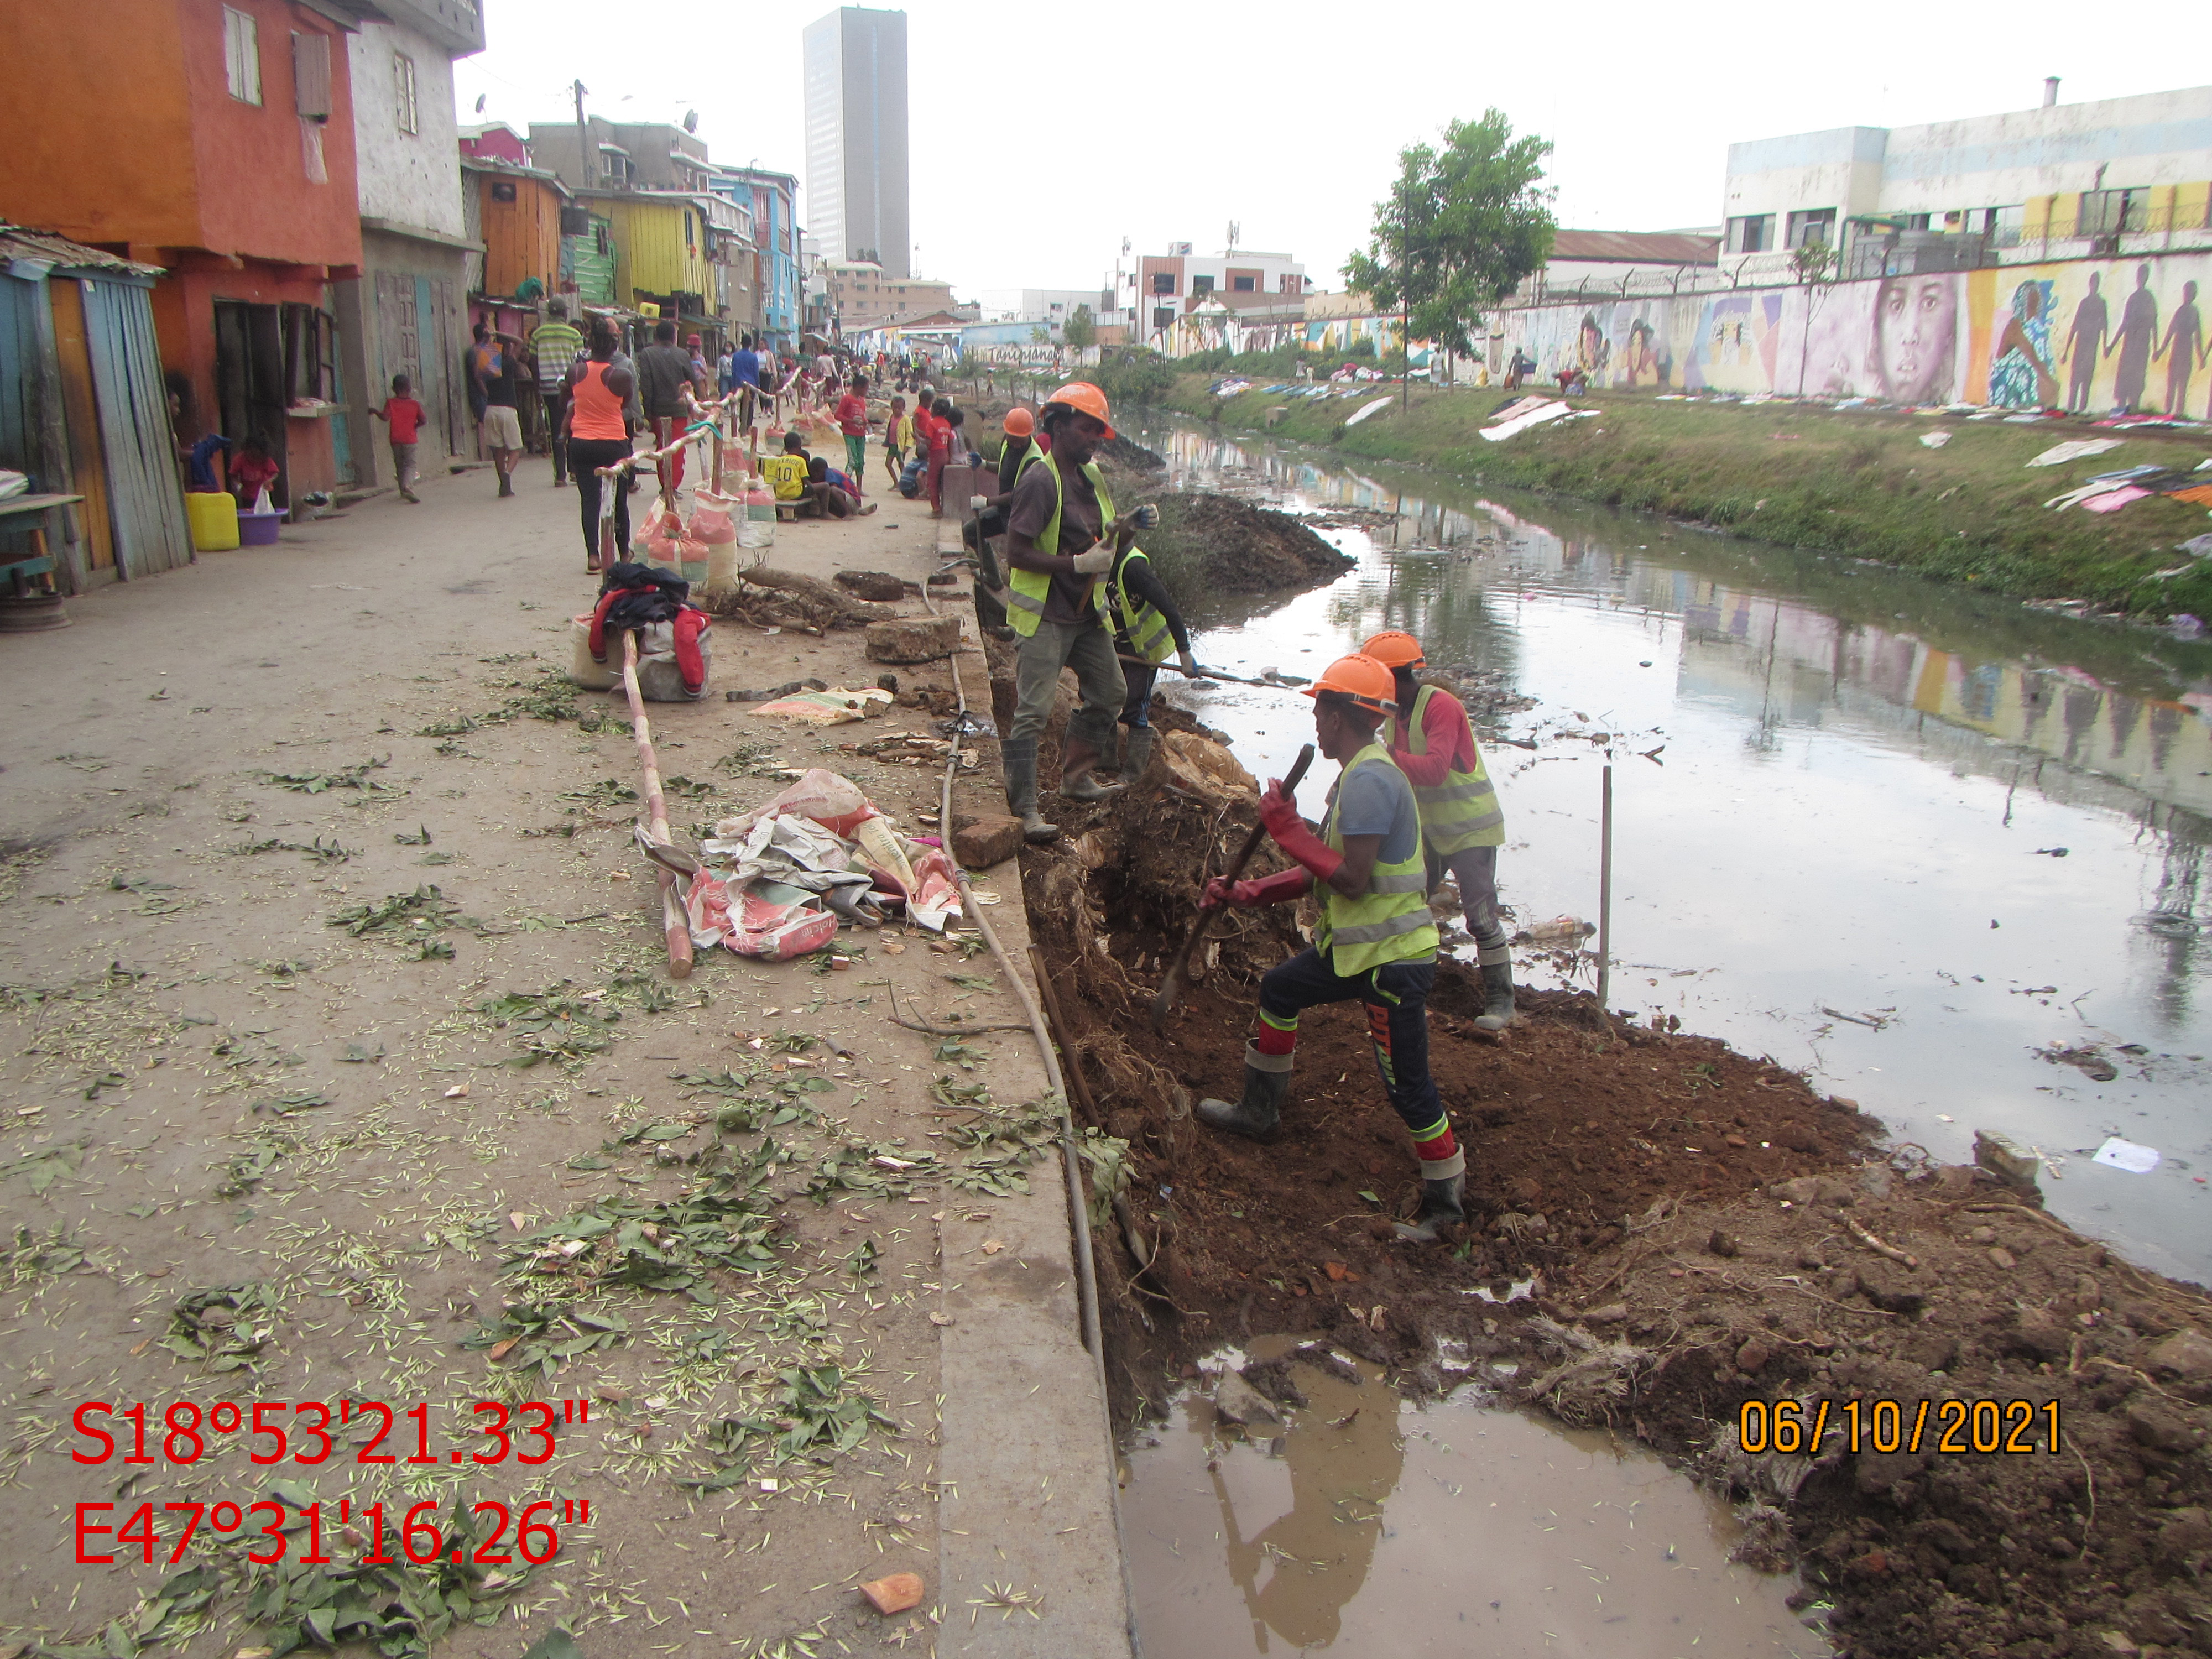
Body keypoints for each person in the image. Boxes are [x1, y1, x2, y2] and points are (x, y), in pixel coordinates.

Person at [1194, 652, 1461, 1244]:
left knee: (1407, 1085)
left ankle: (1445, 1205)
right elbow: (1323, 864)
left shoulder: (1369, 779)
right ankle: (1258, 1111)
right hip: (1359, 953)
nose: (1315, 719)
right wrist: (1250, 891)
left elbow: (1351, 879)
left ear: (1341, 716)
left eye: (1322, 708)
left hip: (1392, 961)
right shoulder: (1358, 774)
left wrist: (1285, 829)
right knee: (1280, 989)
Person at [1000, 382, 1138, 841]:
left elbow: (1107, 544)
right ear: (1056, 426)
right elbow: (1016, 553)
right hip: (1046, 615)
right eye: (1086, 430)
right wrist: (1076, 565)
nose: (1094, 439)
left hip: (1085, 614)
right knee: (1034, 710)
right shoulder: (1040, 481)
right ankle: (1024, 808)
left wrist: (1129, 531)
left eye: (1098, 432)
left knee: (1110, 691)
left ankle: (1076, 778)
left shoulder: (1091, 478)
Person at [1361, 630, 1512, 1031]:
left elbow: (1432, 769)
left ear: (1395, 676)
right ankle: (1401, 982)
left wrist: (1382, 755)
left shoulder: (1441, 707)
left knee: (1480, 917)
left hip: (1470, 829)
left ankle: (1502, 1002)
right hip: (1429, 831)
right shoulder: (1396, 714)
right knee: (1408, 902)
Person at [1104, 531, 1200, 779]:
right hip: (1114, 642)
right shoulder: (1100, 561)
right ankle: (1105, 762)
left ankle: (1134, 773)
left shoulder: (1135, 568)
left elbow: (1170, 609)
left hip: (1143, 649)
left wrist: (1185, 654)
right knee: (1104, 698)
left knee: (1135, 703)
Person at [563, 317, 638, 573]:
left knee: (589, 500)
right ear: (614, 346)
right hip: (613, 443)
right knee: (618, 502)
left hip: (581, 442)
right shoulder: (622, 375)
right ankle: (624, 551)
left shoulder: (575, 371)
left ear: (590, 343)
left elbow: (566, 396)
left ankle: (593, 555)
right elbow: (626, 404)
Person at [636, 320, 697, 495]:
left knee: (662, 448)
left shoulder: (647, 354)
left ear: (656, 336)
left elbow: (646, 384)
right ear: (673, 336)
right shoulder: (683, 355)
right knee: (677, 449)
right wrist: (695, 405)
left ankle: (665, 484)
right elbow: (691, 381)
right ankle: (673, 486)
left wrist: (648, 410)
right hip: (679, 410)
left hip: (658, 409)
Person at [530, 300, 586, 486]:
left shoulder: (538, 334)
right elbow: (580, 364)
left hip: (548, 387)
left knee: (556, 429)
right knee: (574, 428)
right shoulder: (574, 334)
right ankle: (575, 472)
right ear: (564, 313)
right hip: (571, 389)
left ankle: (560, 476)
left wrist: (537, 387)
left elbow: (533, 362)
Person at [478, 331, 524, 497]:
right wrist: (498, 332)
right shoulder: (510, 362)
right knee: (515, 449)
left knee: (498, 450)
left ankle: (504, 485)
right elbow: (520, 341)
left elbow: (479, 378)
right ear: (508, 347)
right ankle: (507, 473)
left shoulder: (490, 365)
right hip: (508, 409)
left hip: (491, 408)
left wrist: (491, 338)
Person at [369, 373, 425, 503]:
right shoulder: (415, 404)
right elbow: (424, 420)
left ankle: (402, 490)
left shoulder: (391, 402)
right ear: (410, 388)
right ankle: (407, 486)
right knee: (410, 465)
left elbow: (385, 418)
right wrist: (415, 426)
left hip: (395, 439)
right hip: (410, 439)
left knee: (399, 465)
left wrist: (375, 411)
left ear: (393, 389)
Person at [835, 374, 870, 492]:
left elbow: (863, 415)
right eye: (865, 388)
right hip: (849, 434)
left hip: (861, 435)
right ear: (859, 387)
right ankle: (844, 485)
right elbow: (838, 415)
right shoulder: (847, 399)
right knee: (852, 461)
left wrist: (865, 422)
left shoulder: (862, 401)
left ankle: (859, 488)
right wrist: (850, 421)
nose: (866, 391)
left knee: (861, 461)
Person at [231, 433, 280, 508]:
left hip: (264, 493)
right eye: (251, 455)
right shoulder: (239, 459)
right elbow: (233, 474)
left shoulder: (266, 460)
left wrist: (269, 480)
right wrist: (238, 485)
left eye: (257, 456)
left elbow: (275, 473)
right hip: (247, 496)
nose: (254, 459)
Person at [883, 393, 912, 487]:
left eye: (899, 408)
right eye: (895, 408)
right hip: (892, 445)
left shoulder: (906, 419)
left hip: (901, 446)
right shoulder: (891, 417)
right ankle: (896, 482)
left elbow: (910, 433)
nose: (897, 410)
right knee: (888, 463)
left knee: (901, 465)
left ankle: (904, 483)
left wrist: (908, 445)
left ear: (903, 408)